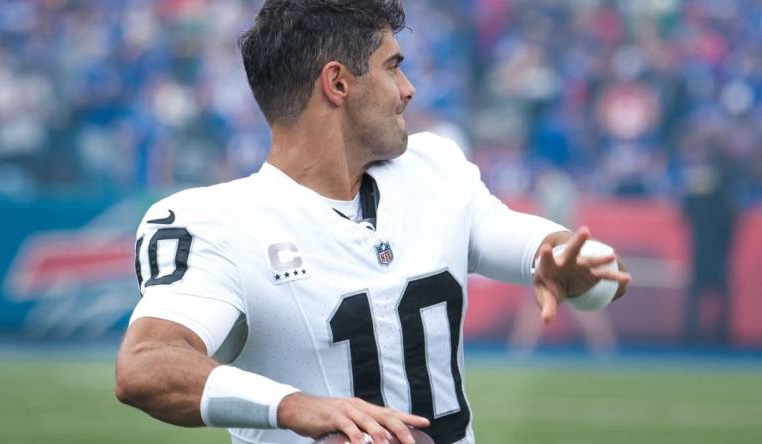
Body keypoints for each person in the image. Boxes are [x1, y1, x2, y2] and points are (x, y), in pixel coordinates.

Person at [115, 2, 631, 444]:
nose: (408, 90)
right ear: (337, 83)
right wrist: (300, 407)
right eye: (393, 67)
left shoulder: (435, 170)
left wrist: (581, 274)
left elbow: (550, 251)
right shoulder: (220, 221)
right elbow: (145, 367)